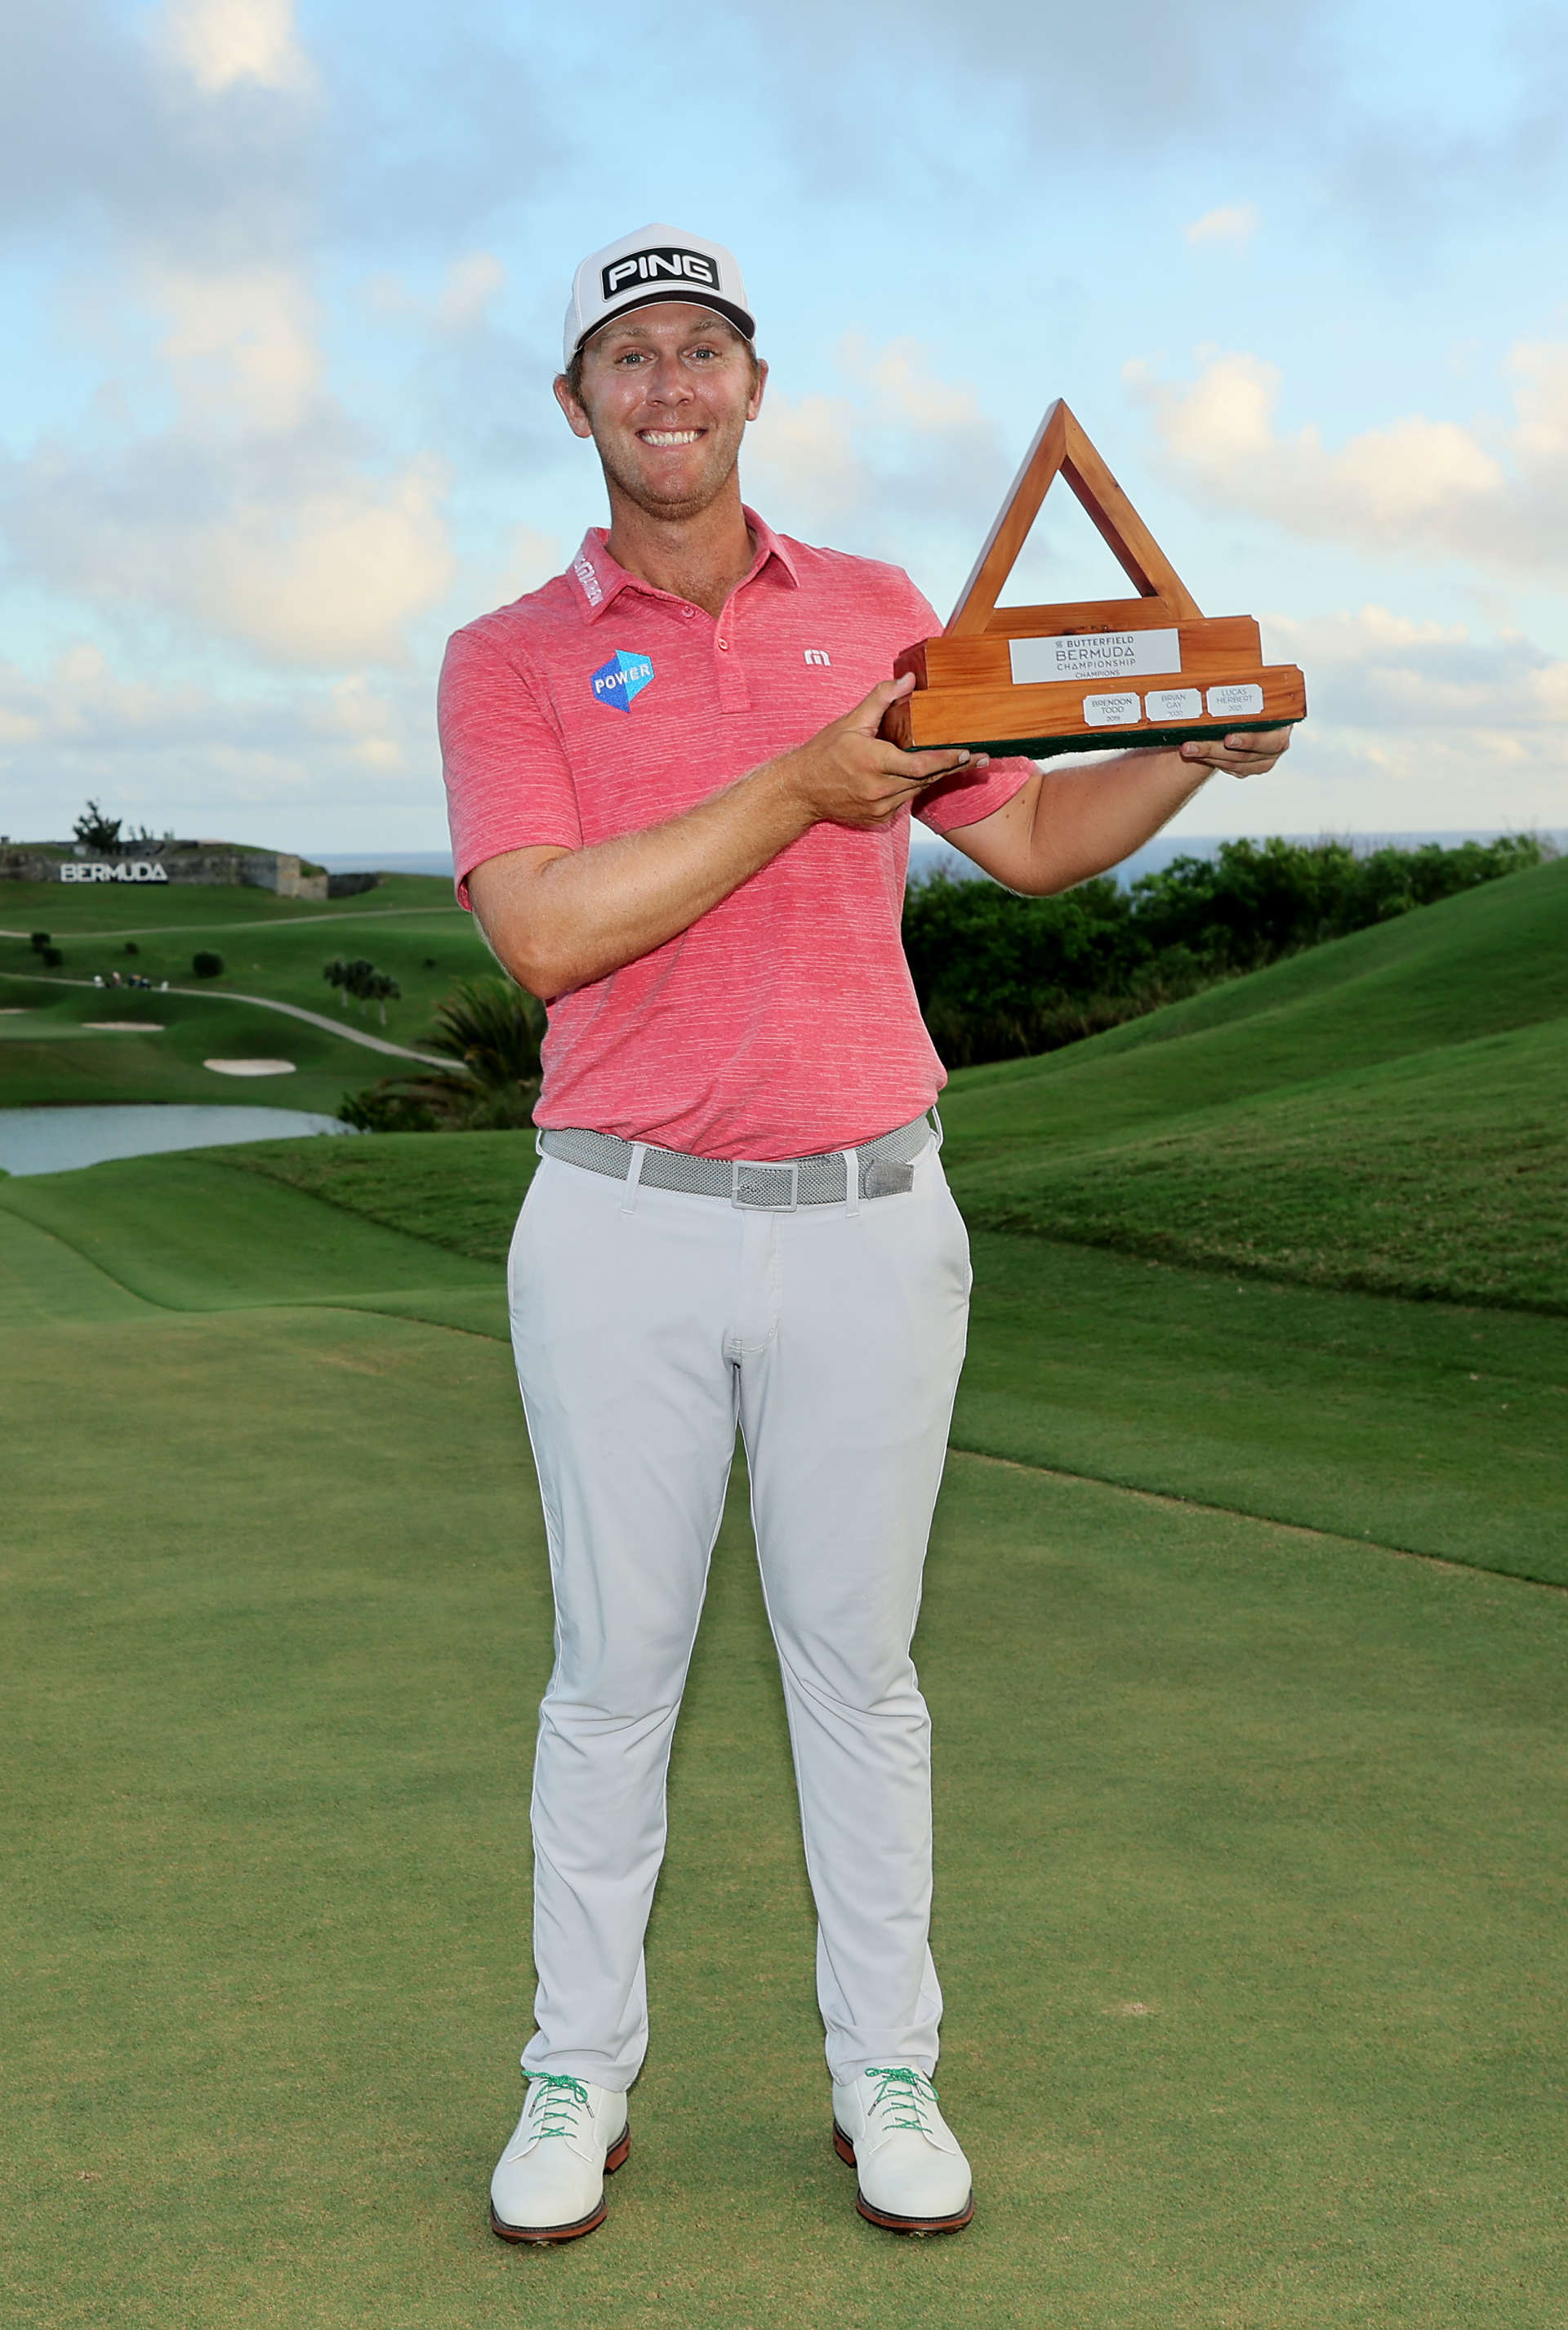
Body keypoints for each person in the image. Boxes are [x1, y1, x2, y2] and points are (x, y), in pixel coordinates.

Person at [438, 222, 1290, 2248]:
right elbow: (548, 926)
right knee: (612, 1673)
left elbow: (1032, 845)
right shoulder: (508, 656)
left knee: (861, 1670)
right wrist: (809, 781)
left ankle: (882, 2067)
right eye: (629, 357)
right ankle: (579, 2066)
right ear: (578, 404)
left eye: (704, 351)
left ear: (753, 387)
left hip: (869, 1215)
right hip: (622, 1220)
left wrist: (1190, 745)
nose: (670, 386)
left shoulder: (892, 612)